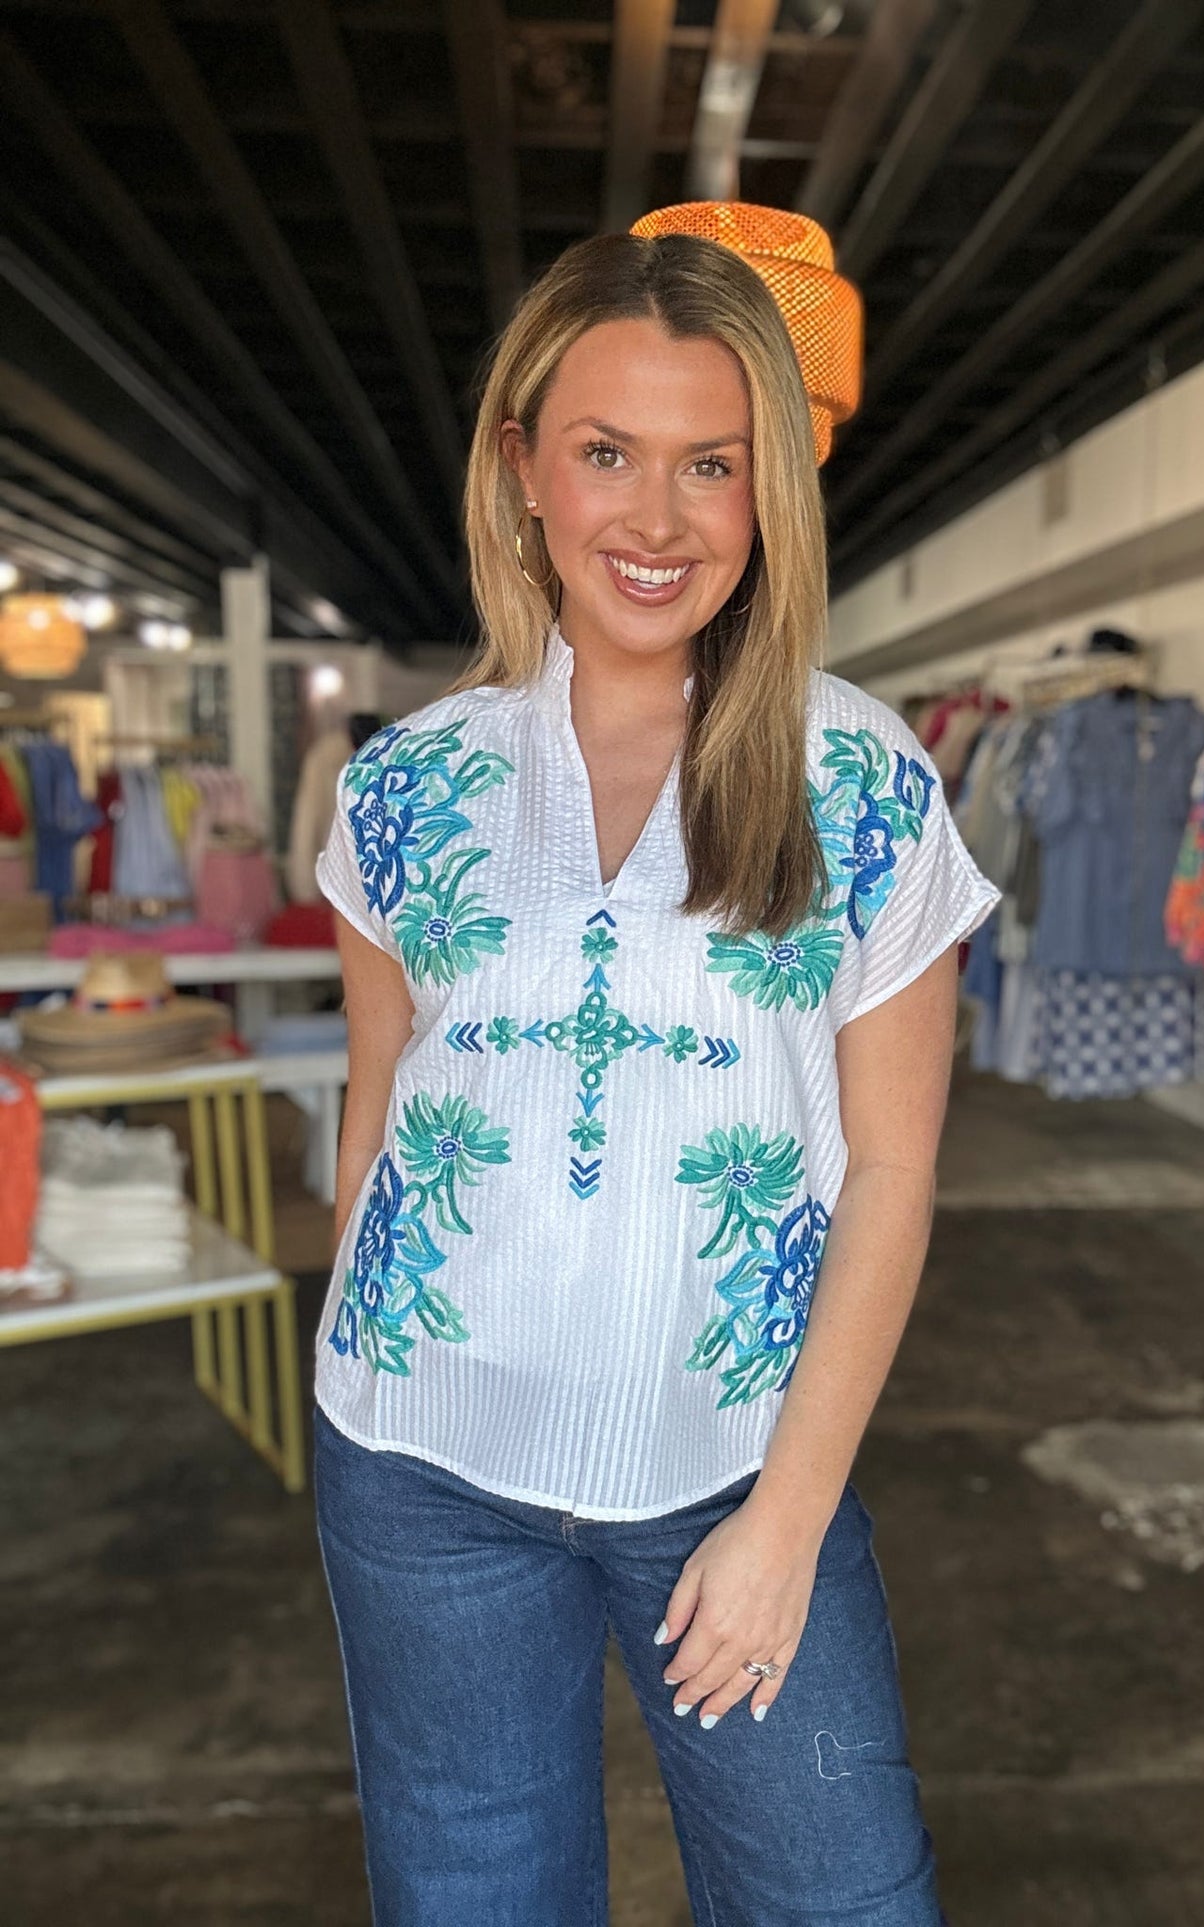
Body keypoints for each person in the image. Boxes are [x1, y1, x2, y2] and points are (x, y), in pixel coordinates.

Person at [312, 216, 999, 1925]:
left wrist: (787, 1520)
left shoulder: (859, 774)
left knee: (837, 1903)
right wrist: (362, 1353)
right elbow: (378, 1100)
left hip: (736, 1467)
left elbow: (894, 1174)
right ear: (522, 464)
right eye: (607, 452)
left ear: (770, 494)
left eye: (713, 464)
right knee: (474, 1892)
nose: (655, 518)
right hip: (421, 1470)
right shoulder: (408, 783)